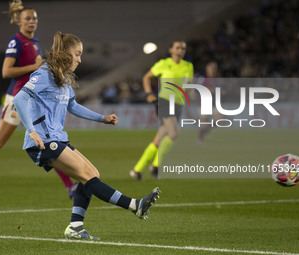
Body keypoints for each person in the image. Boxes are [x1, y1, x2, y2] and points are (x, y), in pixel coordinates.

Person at [13, 31, 161, 240]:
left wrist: (102, 118)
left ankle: (75, 227)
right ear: (65, 53)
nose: (80, 59)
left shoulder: (62, 77)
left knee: (92, 175)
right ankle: (134, 205)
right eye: (77, 54)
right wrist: (31, 130)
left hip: (56, 138)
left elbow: (73, 106)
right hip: (42, 142)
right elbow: (19, 100)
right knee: (87, 175)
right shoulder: (44, 73)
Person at [0, 0, 77, 199]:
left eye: (34, 18)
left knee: (49, 139)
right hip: (18, 97)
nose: (32, 21)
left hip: (32, 98)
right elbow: (6, 71)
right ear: (19, 21)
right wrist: (34, 68)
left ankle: (71, 186)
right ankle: (71, 185)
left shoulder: (33, 42)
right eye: (28, 18)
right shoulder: (16, 41)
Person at [130, 40, 194, 180]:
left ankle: (137, 169)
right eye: (177, 48)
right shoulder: (164, 64)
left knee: (159, 139)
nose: (180, 51)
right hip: (164, 102)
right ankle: (156, 166)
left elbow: (188, 86)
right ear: (171, 49)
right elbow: (146, 77)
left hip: (178, 104)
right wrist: (149, 94)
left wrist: (192, 93)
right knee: (174, 132)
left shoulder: (188, 66)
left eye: (183, 48)